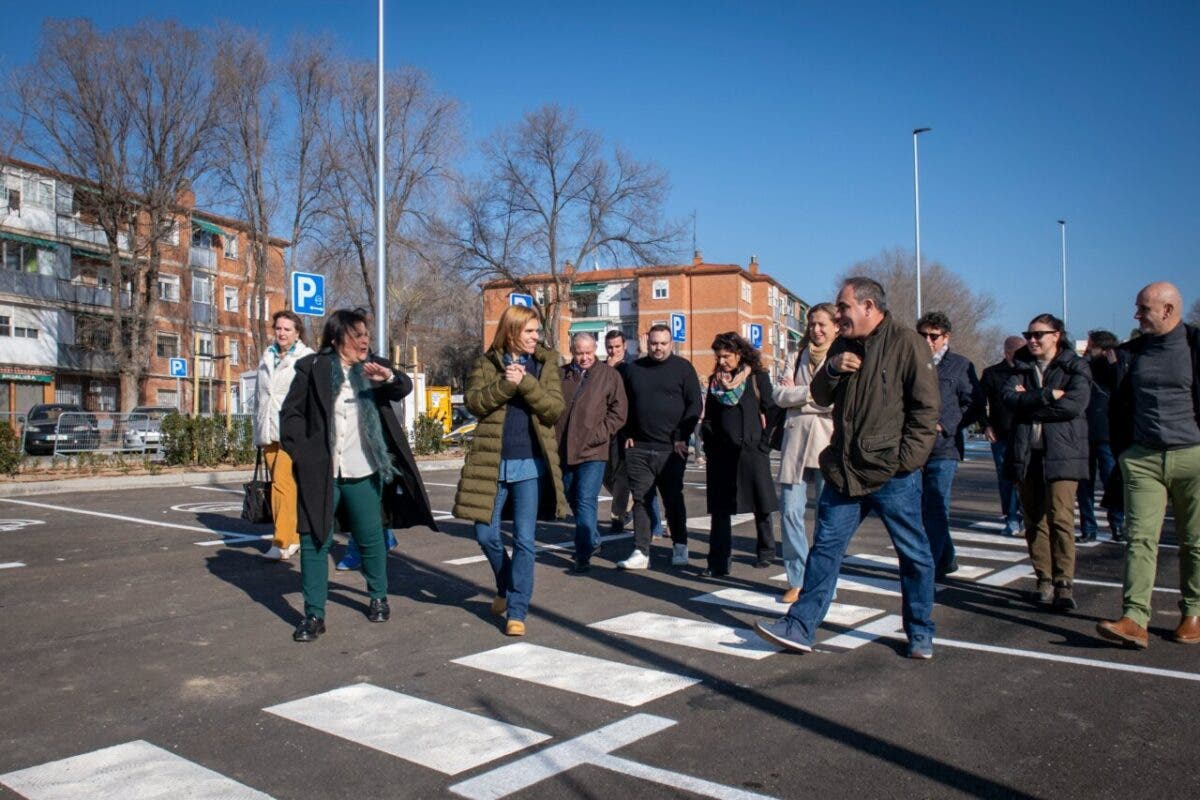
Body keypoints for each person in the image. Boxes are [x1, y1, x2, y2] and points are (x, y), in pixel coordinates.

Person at [755, 277, 940, 659]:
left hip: (893, 473)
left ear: (869, 307)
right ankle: (800, 626)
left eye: (843, 308)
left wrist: (907, 461)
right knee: (825, 549)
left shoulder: (907, 343)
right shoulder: (841, 346)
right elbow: (820, 394)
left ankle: (920, 630)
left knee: (915, 553)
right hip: (844, 468)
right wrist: (834, 369)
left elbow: (925, 411)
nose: (837, 315)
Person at [281, 308, 437, 642]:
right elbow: (290, 415)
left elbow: (403, 386)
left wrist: (389, 378)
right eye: (357, 335)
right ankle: (313, 615)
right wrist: (305, 454)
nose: (364, 340)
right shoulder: (313, 368)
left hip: (364, 470)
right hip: (321, 473)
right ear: (337, 339)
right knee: (314, 540)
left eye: (366, 334)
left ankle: (378, 596)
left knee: (371, 538)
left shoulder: (373, 368)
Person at [452, 305, 567, 636]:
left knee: (525, 541)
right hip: (491, 461)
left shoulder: (545, 365)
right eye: (530, 331)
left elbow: (554, 410)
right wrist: (505, 384)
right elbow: (474, 403)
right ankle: (505, 585)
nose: (536, 337)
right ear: (512, 330)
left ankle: (517, 610)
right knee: (484, 534)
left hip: (530, 464)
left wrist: (526, 383)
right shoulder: (487, 363)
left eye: (537, 331)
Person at [1097, 282, 1200, 648]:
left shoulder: (1194, 346)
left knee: (1194, 541)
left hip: (1193, 455)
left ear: (1169, 311)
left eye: (1143, 309)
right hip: (1143, 457)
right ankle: (1135, 617)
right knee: (1139, 539)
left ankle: (1193, 612)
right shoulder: (1130, 353)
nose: (1136, 315)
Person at [1002, 314, 1090, 611]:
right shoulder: (1021, 367)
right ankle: (1044, 578)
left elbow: (1074, 406)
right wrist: (1048, 395)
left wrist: (1031, 405)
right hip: (1027, 452)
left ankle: (1064, 583)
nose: (1032, 340)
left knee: (1061, 517)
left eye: (1039, 334)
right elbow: (1009, 400)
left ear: (1057, 335)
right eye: (1029, 334)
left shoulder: (1075, 365)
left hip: (1063, 454)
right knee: (1033, 519)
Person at [616, 324, 702, 570]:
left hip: (672, 449)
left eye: (663, 343)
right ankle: (641, 551)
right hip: (639, 447)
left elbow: (694, 405)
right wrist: (627, 433)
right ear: (647, 342)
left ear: (671, 344)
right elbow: (624, 404)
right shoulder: (634, 369)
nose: (658, 348)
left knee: (673, 499)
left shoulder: (683, 368)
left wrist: (682, 436)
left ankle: (680, 545)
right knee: (642, 499)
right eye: (654, 343)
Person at [773, 303, 837, 603]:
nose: (816, 329)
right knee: (789, 512)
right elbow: (778, 395)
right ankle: (796, 578)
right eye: (812, 324)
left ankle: (823, 581)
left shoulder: (844, 358)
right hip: (795, 442)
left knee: (828, 517)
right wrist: (813, 395)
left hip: (828, 443)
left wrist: (798, 395)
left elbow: (840, 401)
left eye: (822, 324)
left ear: (836, 326)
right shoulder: (795, 355)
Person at [701, 331, 779, 576]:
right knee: (720, 510)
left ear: (740, 354)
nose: (722, 361)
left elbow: (773, 410)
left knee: (761, 504)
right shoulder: (715, 381)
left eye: (727, 356)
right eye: (719, 356)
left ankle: (766, 551)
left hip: (752, 451)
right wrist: (709, 442)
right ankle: (718, 562)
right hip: (721, 455)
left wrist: (764, 443)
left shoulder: (757, 378)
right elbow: (710, 417)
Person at [916, 311, 985, 578]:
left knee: (936, 503)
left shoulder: (959, 365)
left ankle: (931, 565)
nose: (928, 341)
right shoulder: (912, 361)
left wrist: (946, 424)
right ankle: (947, 557)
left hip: (944, 448)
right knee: (923, 506)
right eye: (922, 335)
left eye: (934, 336)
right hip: (914, 446)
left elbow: (974, 403)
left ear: (946, 337)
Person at [556, 332, 627, 573]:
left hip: (594, 450)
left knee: (586, 498)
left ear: (595, 349)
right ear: (572, 351)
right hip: (564, 449)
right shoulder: (561, 375)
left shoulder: (609, 375)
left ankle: (583, 553)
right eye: (579, 353)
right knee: (571, 496)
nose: (584, 357)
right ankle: (593, 539)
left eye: (588, 352)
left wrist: (599, 435)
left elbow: (619, 412)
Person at [253, 310, 314, 561]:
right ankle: (295, 536)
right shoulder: (267, 355)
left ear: (297, 332)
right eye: (278, 328)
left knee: (282, 484)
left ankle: (282, 540)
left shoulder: (306, 357)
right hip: (268, 429)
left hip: (292, 431)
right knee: (283, 487)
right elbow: (260, 397)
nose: (282, 333)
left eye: (287, 329)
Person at [602, 330, 663, 537]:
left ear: (624, 346)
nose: (613, 351)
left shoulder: (631, 366)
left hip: (630, 430)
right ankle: (623, 511)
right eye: (610, 347)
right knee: (607, 475)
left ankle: (646, 523)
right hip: (609, 429)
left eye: (617, 347)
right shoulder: (603, 367)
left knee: (638, 480)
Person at [1075, 329, 1125, 542]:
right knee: (1084, 484)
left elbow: (1122, 389)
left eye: (1090, 345)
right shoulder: (1083, 368)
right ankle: (1089, 527)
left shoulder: (1114, 367)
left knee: (1111, 481)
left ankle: (1117, 524)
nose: (1086, 349)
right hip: (1084, 432)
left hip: (1106, 433)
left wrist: (1115, 366)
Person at [980, 336, 1027, 536]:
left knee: (1023, 477)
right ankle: (1011, 517)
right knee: (1005, 476)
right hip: (1000, 431)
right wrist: (985, 425)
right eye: (1014, 351)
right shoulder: (992, 374)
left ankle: (1024, 515)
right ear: (1006, 352)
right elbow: (978, 402)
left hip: (1025, 432)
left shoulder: (1028, 372)